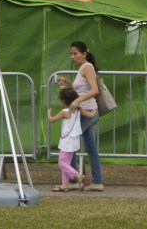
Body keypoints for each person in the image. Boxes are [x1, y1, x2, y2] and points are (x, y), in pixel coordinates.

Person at [56, 41, 104, 191]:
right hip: (88, 112)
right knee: (90, 147)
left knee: (70, 144)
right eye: (71, 54)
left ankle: (74, 179)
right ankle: (96, 181)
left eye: (75, 53)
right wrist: (69, 84)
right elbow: (84, 89)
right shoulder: (83, 68)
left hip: (87, 113)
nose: (72, 57)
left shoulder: (87, 67)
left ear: (84, 54)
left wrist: (77, 100)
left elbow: (94, 90)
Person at [47, 87, 96, 191]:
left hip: (66, 141)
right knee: (66, 163)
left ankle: (78, 176)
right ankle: (64, 185)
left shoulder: (65, 112)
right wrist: (94, 106)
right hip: (74, 140)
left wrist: (49, 113)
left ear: (63, 101)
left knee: (62, 163)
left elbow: (51, 120)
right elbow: (91, 115)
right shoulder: (78, 110)